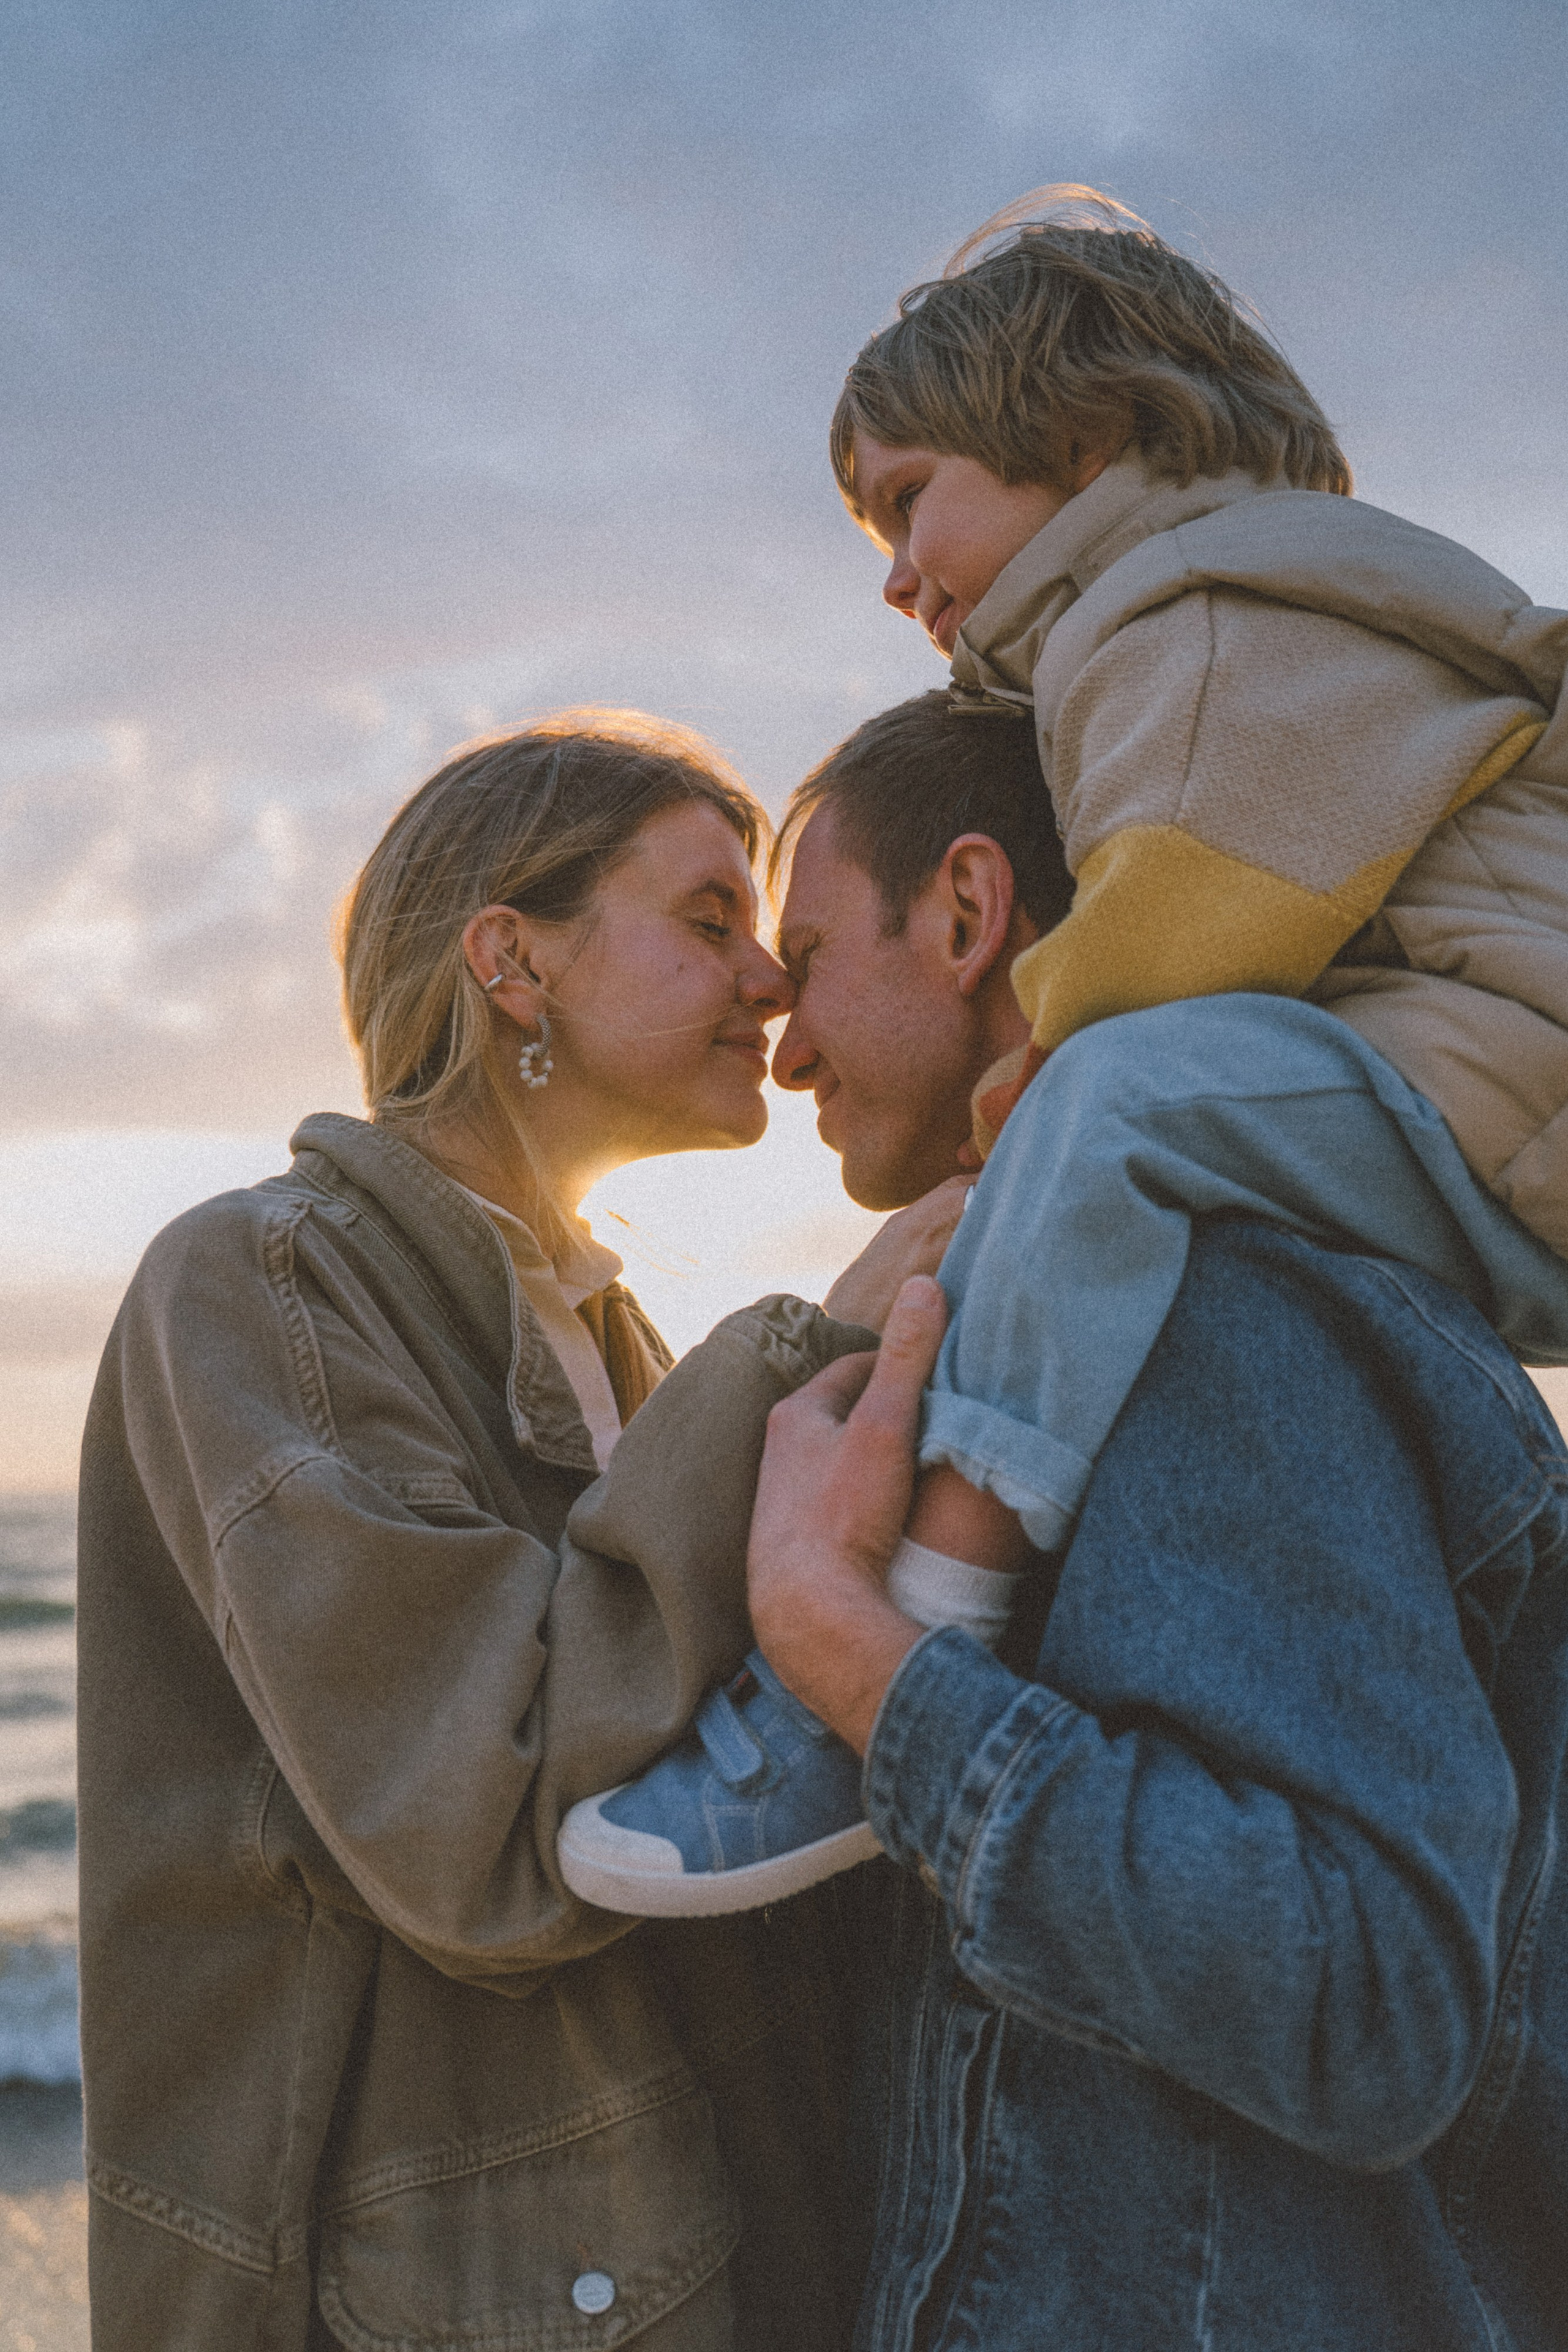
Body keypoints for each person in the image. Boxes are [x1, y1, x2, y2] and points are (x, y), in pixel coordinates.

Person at [560, 184, 1568, 1910]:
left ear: (1082, 436)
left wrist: (1029, 1094)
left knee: (1117, 1097)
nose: (892, 575)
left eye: (907, 504)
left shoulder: (1189, 603)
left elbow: (1193, 910)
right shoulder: (1206, 606)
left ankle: (906, 1634)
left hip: (1508, 1073)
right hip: (1494, 1106)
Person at [591, 723, 1568, 2344]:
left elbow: (1370, 2001)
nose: (786, 1046)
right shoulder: (1058, 1337)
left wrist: (853, 1658)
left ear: (969, 911)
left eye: (813, 954)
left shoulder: (1222, 1304)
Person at [74, 708, 956, 2352]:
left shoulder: (604, 1337)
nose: (771, 984)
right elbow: (479, 1828)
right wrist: (818, 1349)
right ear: (511, 959)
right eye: (709, 921)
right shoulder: (265, 1283)